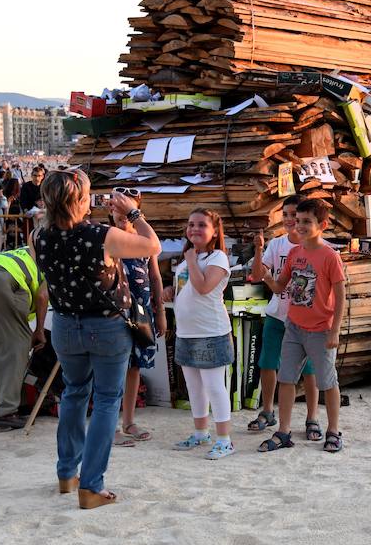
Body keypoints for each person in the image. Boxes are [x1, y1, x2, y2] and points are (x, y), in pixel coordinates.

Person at [32, 169, 161, 509]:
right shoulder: (99, 235)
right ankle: (91, 486)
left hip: (65, 325)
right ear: (80, 200)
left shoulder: (39, 236)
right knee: (106, 400)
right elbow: (152, 246)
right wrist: (133, 212)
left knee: (74, 394)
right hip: (106, 327)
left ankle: (67, 474)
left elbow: (47, 277)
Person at [256, 199, 346, 454]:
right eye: (299, 220)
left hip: (320, 329)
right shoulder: (295, 253)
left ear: (323, 225)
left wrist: (335, 330)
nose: (301, 225)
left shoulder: (329, 256)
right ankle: (283, 431)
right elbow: (279, 287)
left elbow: (340, 296)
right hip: (293, 326)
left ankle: (333, 431)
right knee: (286, 379)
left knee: (327, 382)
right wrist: (265, 274)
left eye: (308, 221)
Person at [162, 209, 236, 460]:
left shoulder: (217, 258)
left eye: (201, 225)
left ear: (214, 231)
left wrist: (192, 261)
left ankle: (224, 440)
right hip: (187, 332)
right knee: (194, 387)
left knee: (215, 387)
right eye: (191, 224)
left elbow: (204, 287)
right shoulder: (186, 260)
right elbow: (190, 287)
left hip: (211, 331)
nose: (194, 229)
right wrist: (173, 288)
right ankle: (201, 432)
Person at [247, 195, 322, 438]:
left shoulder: (318, 248)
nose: (291, 220)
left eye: (295, 216)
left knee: (309, 369)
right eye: (286, 215)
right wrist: (258, 249)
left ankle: (312, 417)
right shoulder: (277, 245)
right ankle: (268, 410)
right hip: (277, 314)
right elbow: (259, 276)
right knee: (268, 363)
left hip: (306, 320)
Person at [0, 246, 49, 430]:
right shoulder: (59, 260)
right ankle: (6, 411)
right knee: (15, 345)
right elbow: (43, 295)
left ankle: (17, 401)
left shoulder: (39, 246)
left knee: (11, 341)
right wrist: (39, 330)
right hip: (6, 278)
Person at [110, 208, 166, 446]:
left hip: (142, 313)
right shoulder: (109, 237)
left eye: (125, 209)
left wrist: (160, 311)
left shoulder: (145, 242)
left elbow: (155, 278)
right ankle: (111, 427)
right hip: (115, 314)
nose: (120, 214)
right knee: (114, 368)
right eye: (115, 209)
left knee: (135, 366)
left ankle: (129, 420)